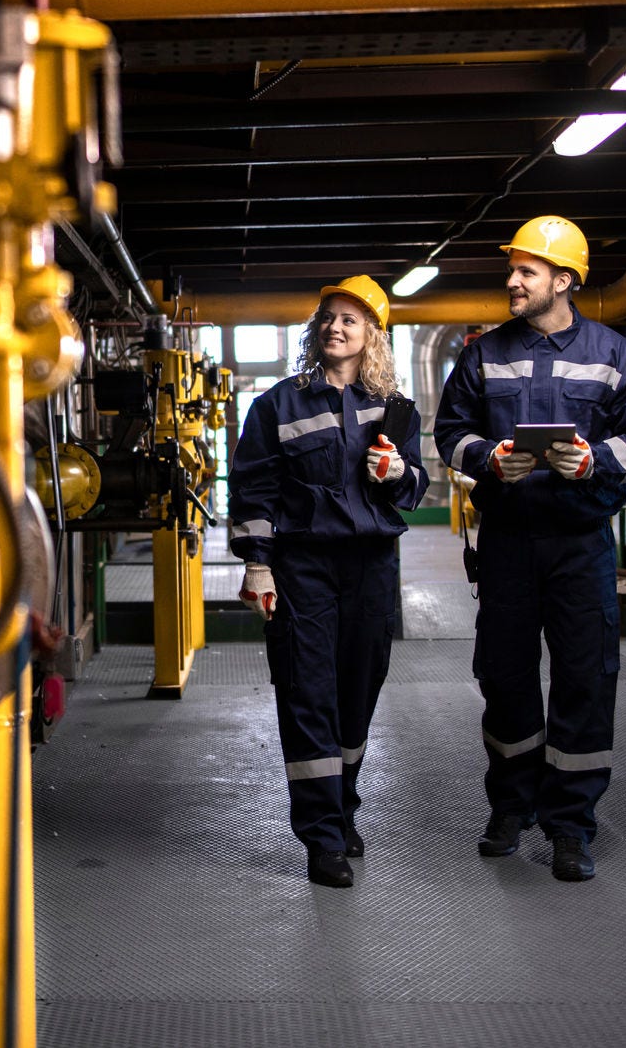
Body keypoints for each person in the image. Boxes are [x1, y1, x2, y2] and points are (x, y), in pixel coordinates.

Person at [432, 216, 626, 882]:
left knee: (584, 680)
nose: (512, 279)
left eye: (527, 270)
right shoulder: (483, 352)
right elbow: (450, 430)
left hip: (579, 544)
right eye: (512, 269)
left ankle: (571, 825)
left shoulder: (614, 353)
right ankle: (511, 806)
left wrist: (594, 458)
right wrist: (485, 458)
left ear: (563, 280)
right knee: (504, 677)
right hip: (508, 541)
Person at [228, 274, 430, 888]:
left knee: (359, 688)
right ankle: (321, 836)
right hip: (302, 566)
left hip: (371, 566)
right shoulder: (277, 406)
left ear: (373, 333)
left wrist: (398, 471)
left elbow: (415, 490)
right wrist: (257, 564)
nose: (336, 326)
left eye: (351, 319)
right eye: (328, 318)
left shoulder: (395, 410)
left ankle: (343, 806)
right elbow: (253, 490)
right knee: (307, 690)